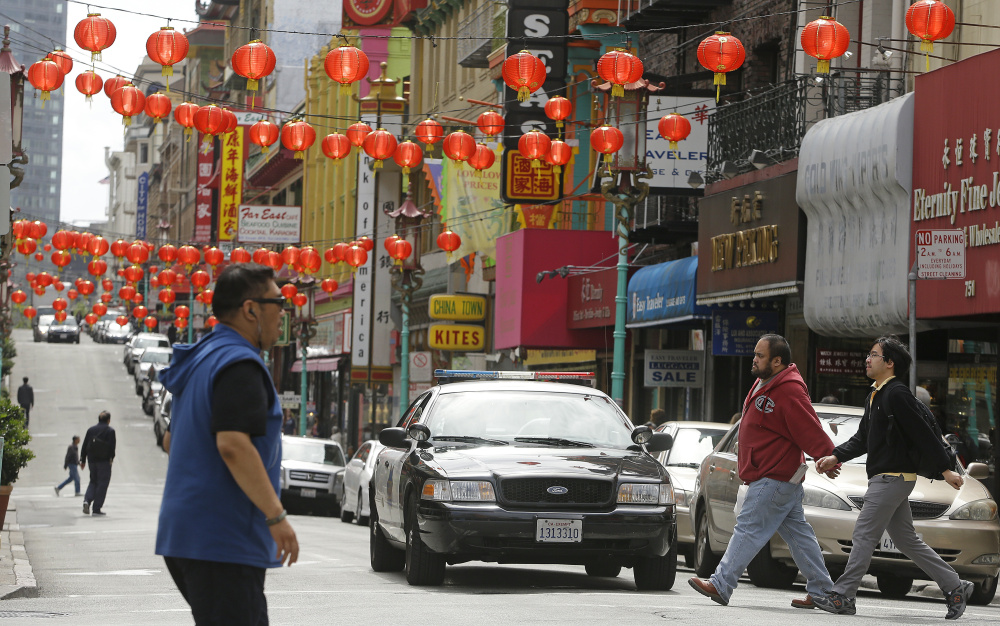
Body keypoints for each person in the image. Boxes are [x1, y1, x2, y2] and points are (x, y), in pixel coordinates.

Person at [156, 263, 297, 625]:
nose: (283, 313)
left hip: (186, 536)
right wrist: (277, 516)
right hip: (223, 539)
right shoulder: (240, 363)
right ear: (251, 309)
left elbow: (171, 440)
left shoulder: (203, 355)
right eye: (278, 303)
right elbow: (233, 444)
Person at [814, 336, 971, 619]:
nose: (867, 359)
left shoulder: (897, 394)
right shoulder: (875, 394)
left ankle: (843, 596)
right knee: (906, 540)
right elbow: (862, 438)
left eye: (873, 355)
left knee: (863, 534)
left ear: (889, 363)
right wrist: (835, 456)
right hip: (887, 478)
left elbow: (922, 433)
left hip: (892, 478)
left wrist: (946, 469)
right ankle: (955, 586)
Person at [689, 334, 838, 609]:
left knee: (748, 528)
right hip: (775, 477)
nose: (753, 359)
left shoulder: (789, 388)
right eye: (755, 354)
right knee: (799, 536)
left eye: (760, 355)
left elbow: (808, 425)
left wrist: (829, 457)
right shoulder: (766, 382)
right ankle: (825, 592)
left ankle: (721, 585)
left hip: (774, 476)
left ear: (777, 361)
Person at [80, 411, 116, 516]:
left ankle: (87, 500)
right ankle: (96, 508)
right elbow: (112, 447)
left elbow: (85, 445)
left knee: (93, 481)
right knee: (102, 484)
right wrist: (111, 458)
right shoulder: (110, 431)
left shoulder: (91, 430)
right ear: (108, 420)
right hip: (104, 461)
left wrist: (83, 460)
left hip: (92, 460)